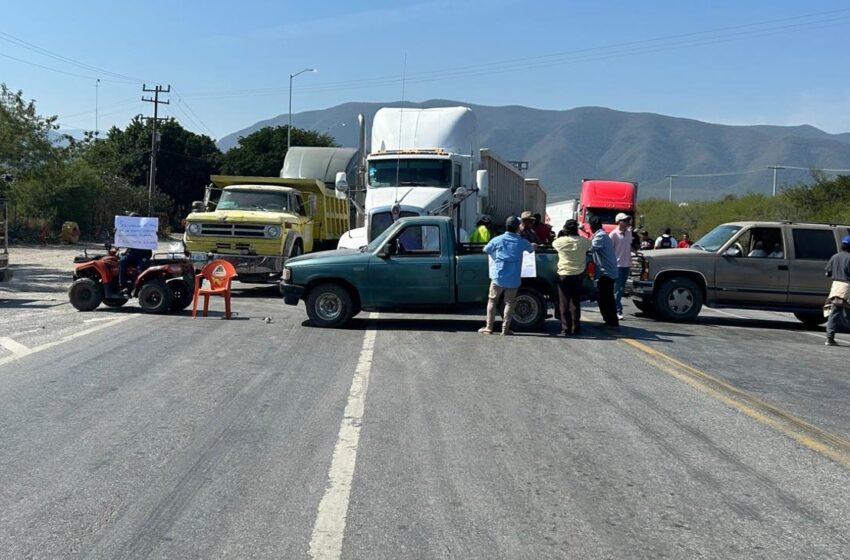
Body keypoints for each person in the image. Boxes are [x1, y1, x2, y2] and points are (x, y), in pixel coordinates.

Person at [480, 216, 537, 335]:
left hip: (498, 276)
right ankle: (505, 329)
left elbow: (486, 249)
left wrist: (496, 257)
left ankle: (489, 327)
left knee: (492, 301)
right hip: (513, 278)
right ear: (517, 228)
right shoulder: (522, 242)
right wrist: (534, 245)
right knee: (509, 303)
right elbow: (531, 249)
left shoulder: (497, 239)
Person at [554, 219, 591, 335]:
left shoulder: (560, 242)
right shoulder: (584, 242)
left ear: (565, 230)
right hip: (578, 275)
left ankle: (566, 328)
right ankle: (576, 327)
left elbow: (553, 244)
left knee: (563, 302)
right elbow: (590, 243)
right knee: (575, 302)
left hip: (564, 274)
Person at [590, 216, 619, 327]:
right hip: (607, 272)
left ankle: (612, 321)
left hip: (606, 273)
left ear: (592, 227)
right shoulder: (601, 235)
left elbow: (590, 249)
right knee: (604, 297)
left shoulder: (600, 237)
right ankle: (609, 320)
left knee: (606, 298)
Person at [824, 235, 850, 346]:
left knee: (834, 313)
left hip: (835, 287)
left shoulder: (835, 256)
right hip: (847, 287)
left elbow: (827, 273)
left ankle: (829, 338)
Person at [117, 212, 153, 292]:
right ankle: (123, 286)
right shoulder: (129, 229)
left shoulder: (146, 228)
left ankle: (137, 286)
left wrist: (153, 233)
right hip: (132, 253)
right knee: (122, 262)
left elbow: (151, 240)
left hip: (143, 253)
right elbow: (125, 240)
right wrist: (118, 233)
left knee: (141, 268)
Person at [609, 212, 633, 320]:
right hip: (617, 264)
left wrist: (635, 252)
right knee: (618, 288)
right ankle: (617, 310)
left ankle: (615, 308)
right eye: (624, 220)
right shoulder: (613, 234)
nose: (627, 222)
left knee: (621, 288)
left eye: (627, 220)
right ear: (619, 222)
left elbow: (628, 246)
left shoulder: (629, 233)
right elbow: (610, 249)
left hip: (626, 264)